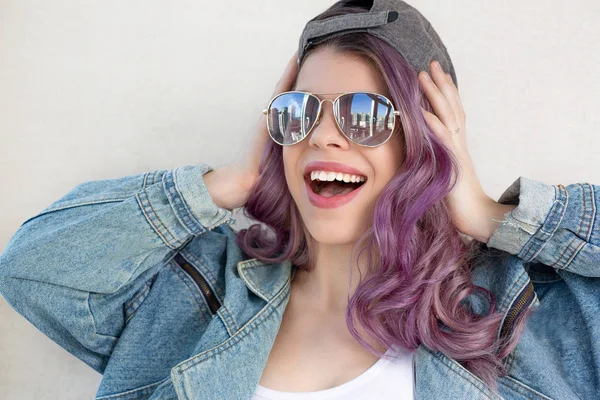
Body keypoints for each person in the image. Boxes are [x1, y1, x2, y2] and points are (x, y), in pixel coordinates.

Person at [0, 1, 598, 399]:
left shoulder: (519, 313)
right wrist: (232, 181)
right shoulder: (199, 291)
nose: (324, 135)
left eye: (365, 114)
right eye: (301, 111)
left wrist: (489, 215)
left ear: (425, 141)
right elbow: (35, 269)